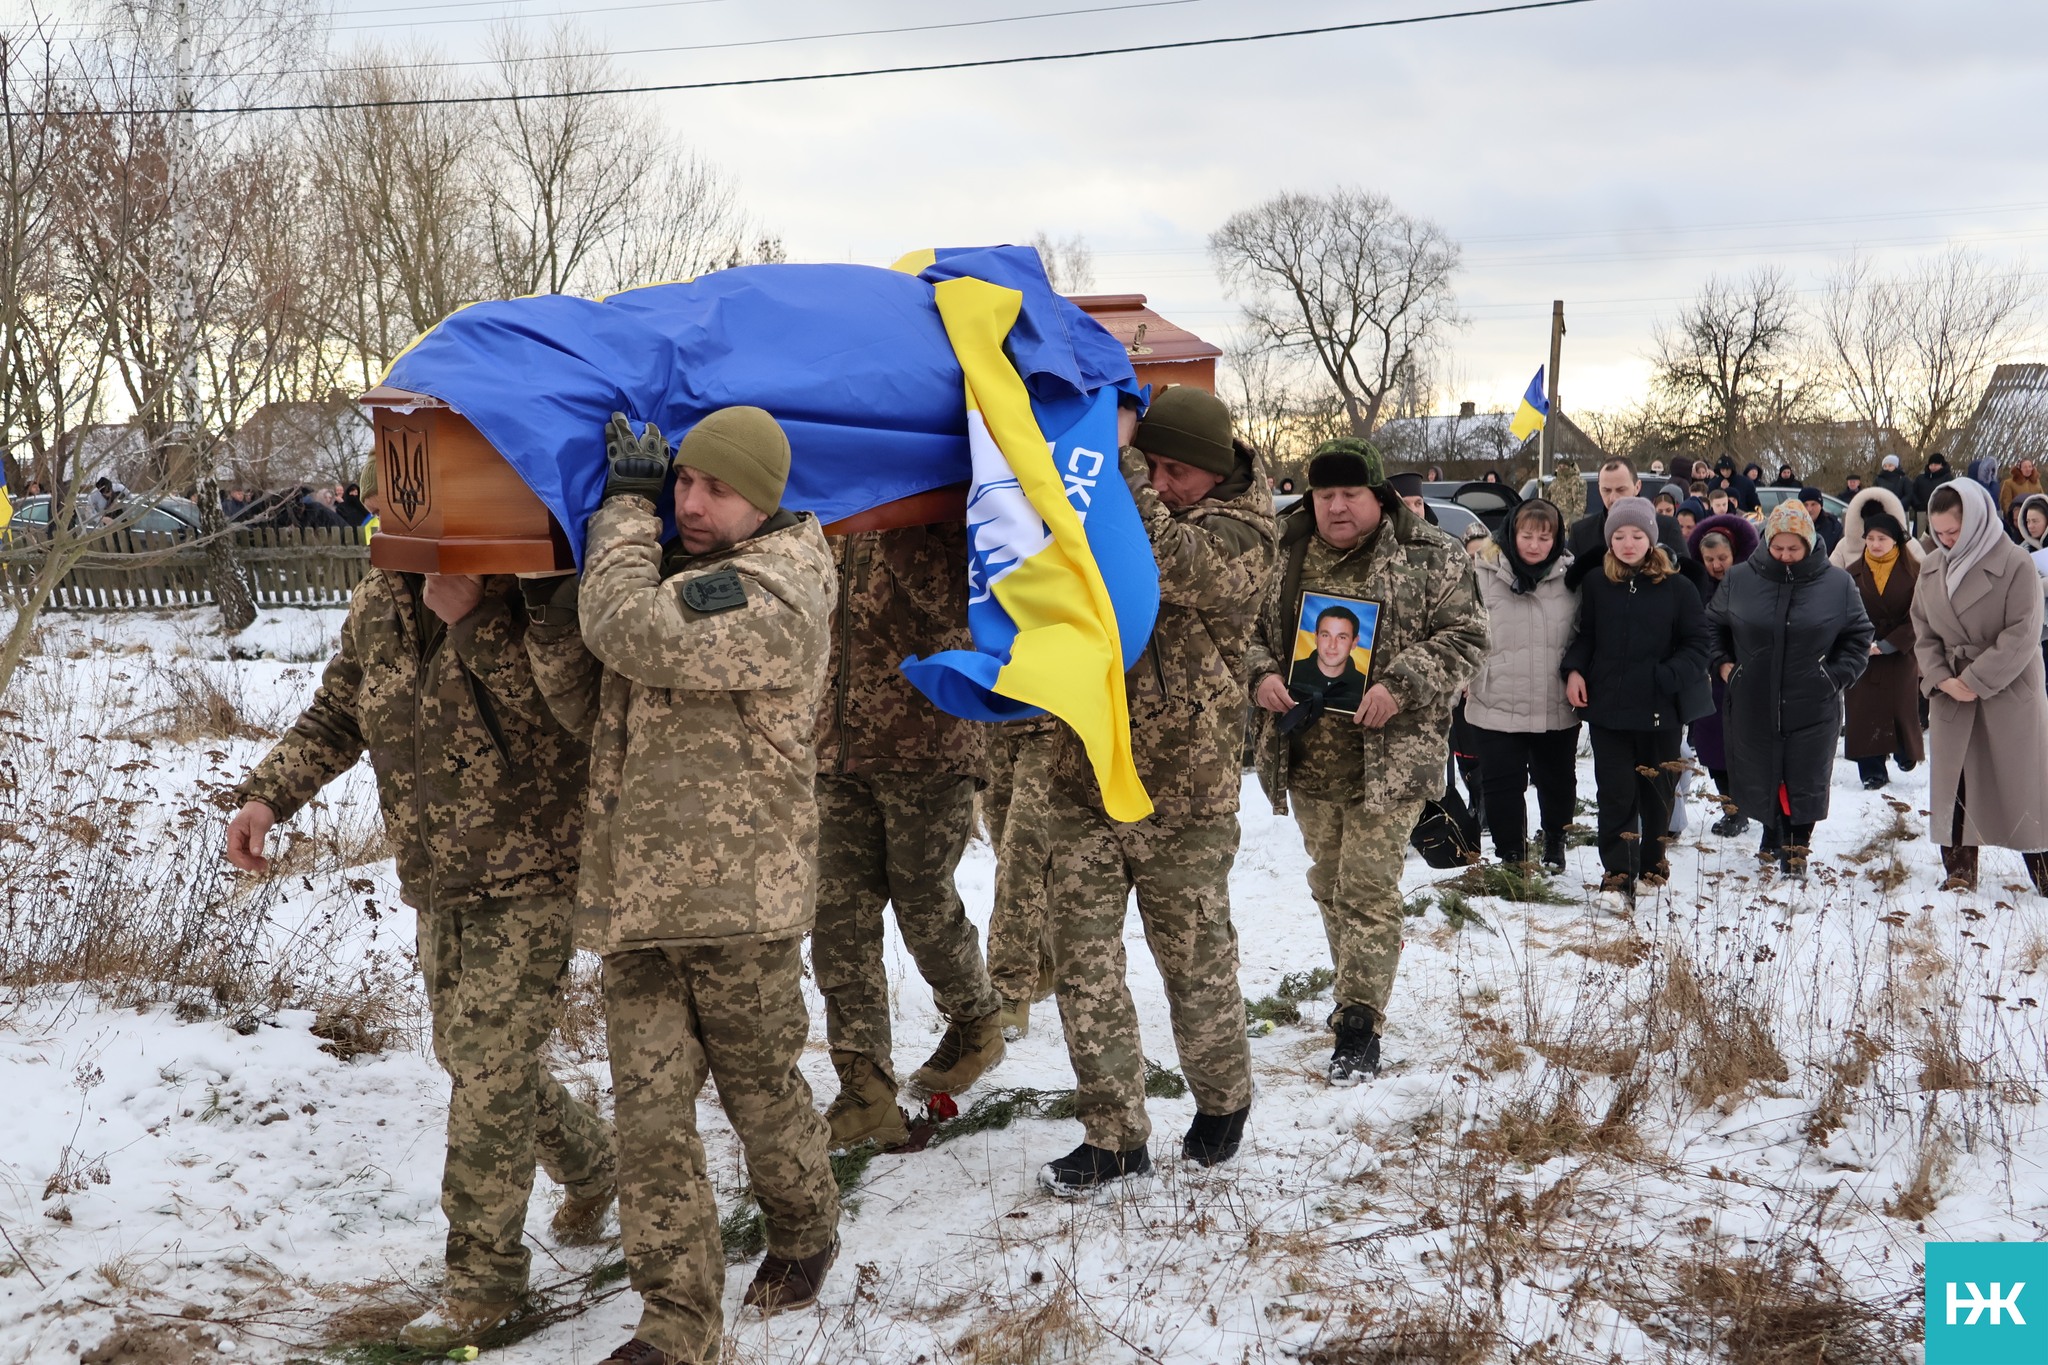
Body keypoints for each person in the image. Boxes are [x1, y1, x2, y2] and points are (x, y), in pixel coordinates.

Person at [223, 456, 615, 1351]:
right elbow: (339, 712)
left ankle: (484, 1281)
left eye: (397, 508)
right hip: (438, 874)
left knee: (489, 1068)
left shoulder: (533, 584)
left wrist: (475, 620)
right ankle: (595, 1163)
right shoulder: (380, 596)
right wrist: (267, 795)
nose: (380, 523)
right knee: (474, 1056)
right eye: (375, 507)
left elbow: (569, 716)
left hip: (533, 869)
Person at [523, 407, 843, 1360]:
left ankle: (807, 1224)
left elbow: (631, 629)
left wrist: (623, 509)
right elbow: (592, 701)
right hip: (641, 900)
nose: (691, 504)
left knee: (760, 1093)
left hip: (741, 904)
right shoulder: (674, 575)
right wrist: (551, 609)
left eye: (717, 489)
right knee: (649, 1119)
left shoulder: (778, 590)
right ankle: (677, 1320)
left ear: (765, 501)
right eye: (682, 483)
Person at [1037, 387, 1277, 1194]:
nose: (1165, 484)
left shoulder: (1246, 533)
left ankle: (1223, 1098)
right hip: (1086, 777)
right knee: (1083, 960)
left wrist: (1119, 462)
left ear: (1216, 470)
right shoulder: (1124, 499)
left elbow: (1163, 556)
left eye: (1178, 471)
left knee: (1193, 964)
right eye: (1155, 467)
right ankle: (1114, 1135)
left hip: (1184, 797)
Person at [1249, 439, 1488, 1082]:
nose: (1336, 507)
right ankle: (1354, 986)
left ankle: (1359, 1022)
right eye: (1324, 495)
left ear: (1378, 496)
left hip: (1392, 759)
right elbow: (1240, 630)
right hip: (1307, 755)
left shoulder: (1429, 553)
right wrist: (1260, 675)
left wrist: (1399, 686)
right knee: (1330, 882)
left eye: (1350, 494)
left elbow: (1469, 637)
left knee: (1366, 887)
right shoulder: (1281, 550)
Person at [810, 521, 1004, 1149]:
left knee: (923, 905)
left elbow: (960, 602)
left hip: (929, 741)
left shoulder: (933, 501)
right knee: (837, 918)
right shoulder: (824, 506)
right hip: (834, 748)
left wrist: (891, 521)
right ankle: (865, 1088)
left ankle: (977, 1021)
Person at [1707, 502, 1872, 880]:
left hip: (1812, 701)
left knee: (1804, 779)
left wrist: (1833, 676)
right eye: (1777, 547)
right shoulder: (1739, 578)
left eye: (1793, 549)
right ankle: (1772, 834)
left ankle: (1796, 851)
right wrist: (1724, 665)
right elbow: (1712, 625)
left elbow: (1859, 636)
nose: (1784, 555)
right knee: (1763, 773)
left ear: (1809, 544)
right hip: (1753, 700)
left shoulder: (1837, 584)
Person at [1559, 496, 1710, 908]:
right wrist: (1574, 670)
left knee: (1656, 796)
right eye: (1620, 536)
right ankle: (1617, 879)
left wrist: (1665, 677)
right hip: (1608, 710)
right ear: (1609, 541)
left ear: (1652, 540)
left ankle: (1651, 868)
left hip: (1661, 712)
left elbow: (1698, 645)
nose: (1628, 543)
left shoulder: (1678, 587)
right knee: (1615, 794)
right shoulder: (1597, 583)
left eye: (1637, 535)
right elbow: (1587, 635)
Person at [1911, 480, 2048, 895]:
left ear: (1975, 521)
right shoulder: (1931, 567)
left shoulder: (2016, 563)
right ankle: (1959, 873)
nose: (1946, 540)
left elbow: (2023, 632)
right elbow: (1923, 630)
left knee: (2022, 785)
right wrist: (1941, 679)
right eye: (1938, 532)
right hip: (1951, 691)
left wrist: (1975, 680)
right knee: (1956, 784)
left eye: (1954, 531)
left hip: (2008, 690)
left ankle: (2044, 873)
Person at [1465, 498, 1577, 869]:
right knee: (1501, 782)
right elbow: (1462, 630)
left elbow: (1584, 633)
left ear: (1556, 540)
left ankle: (1555, 840)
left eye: (1544, 538)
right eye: (1526, 536)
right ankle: (1512, 854)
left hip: (1553, 698)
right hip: (1496, 695)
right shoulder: (1482, 573)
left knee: (1557, 780)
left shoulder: (1571, 578)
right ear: (1511, 534)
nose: (1534, 545)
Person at [983, 716, 1059, 1038]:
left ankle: (1009, 990)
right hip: (991, 722)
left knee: (1020, 858)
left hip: (1050, 725)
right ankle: (1045, 956)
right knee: (1006, 847)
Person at [1686, 513, 1759, 836]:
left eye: (1722, 558)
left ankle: (1748, 805)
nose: (1716, 565)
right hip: (1709, 678)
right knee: (1713, 747)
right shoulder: (1696, 586)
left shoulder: (1752, 582)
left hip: (1745, 675)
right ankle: (1731, 809)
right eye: (1710, 559)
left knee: (1744, 747)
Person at [1842, 509, 1924, 789]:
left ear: (1896, 541)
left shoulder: (1915, 572)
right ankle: (1872, 770)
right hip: (1862, 651)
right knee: (1864, 710)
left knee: (1899, 705)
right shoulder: (1851, 574)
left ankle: (1904, 751)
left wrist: (1891, 644)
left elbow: (1921, 615)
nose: (1875, 544)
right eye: (1870, 538)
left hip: (1900, 651)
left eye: (1882, 539)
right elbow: (1842, 613)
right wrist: (1858, 642)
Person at [1562, 456, 1699, 592]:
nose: (1613, 498)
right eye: (1606, 490)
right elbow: (1571, 588)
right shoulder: (1582, 532)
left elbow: (1688, 582)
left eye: (1621, 490)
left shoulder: (1666, 527)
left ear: (1637, 487)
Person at [1910, 452, 1953, 533]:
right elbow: (1912, 493)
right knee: (1919, 536)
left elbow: (1950, 494)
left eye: (1936, 465)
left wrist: (1941, 506)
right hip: (1921, 512)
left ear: (1942, 465)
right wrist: (1918, 505)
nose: (1933, 467)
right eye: (1931, 465)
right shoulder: (1920, 478)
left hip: (1939, 512)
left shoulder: (1947, 478)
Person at [1800, 487, 1844, 554]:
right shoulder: (1792, 526)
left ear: (1821, 506)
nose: (1809, 509)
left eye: (1813, 504)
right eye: (1805, 505)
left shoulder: (1834, 528)